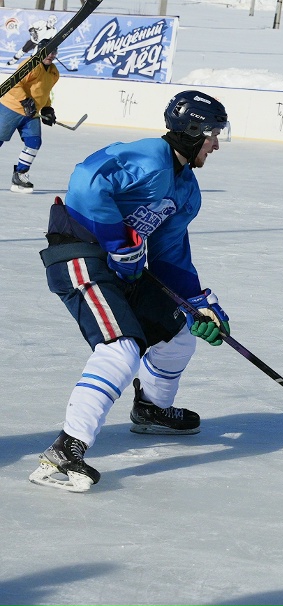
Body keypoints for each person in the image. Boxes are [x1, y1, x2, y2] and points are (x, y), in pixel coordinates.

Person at [29, 90, 232, 492]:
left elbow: (170, 253)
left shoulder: (187, 190)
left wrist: (199, 304)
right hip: (81, 253)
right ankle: (63, 453)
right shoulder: (148, 157)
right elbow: (86, 181)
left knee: (178, 335)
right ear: (192, 131)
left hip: (126, 271)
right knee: (120, 348)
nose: (216, 143)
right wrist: (117, 244)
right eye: (212, 133)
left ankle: (153, 409)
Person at [1, 35, 60, 193]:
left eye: (54, 51)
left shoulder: (54, 72)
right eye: (47, 51)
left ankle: (20, 176)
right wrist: (25, 100)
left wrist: (47, 108)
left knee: (34, 142)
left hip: (31, 112)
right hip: (11, 108)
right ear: (39, 51)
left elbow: (45, 92)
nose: (50, 54)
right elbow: (13, 84)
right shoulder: (31, 64)